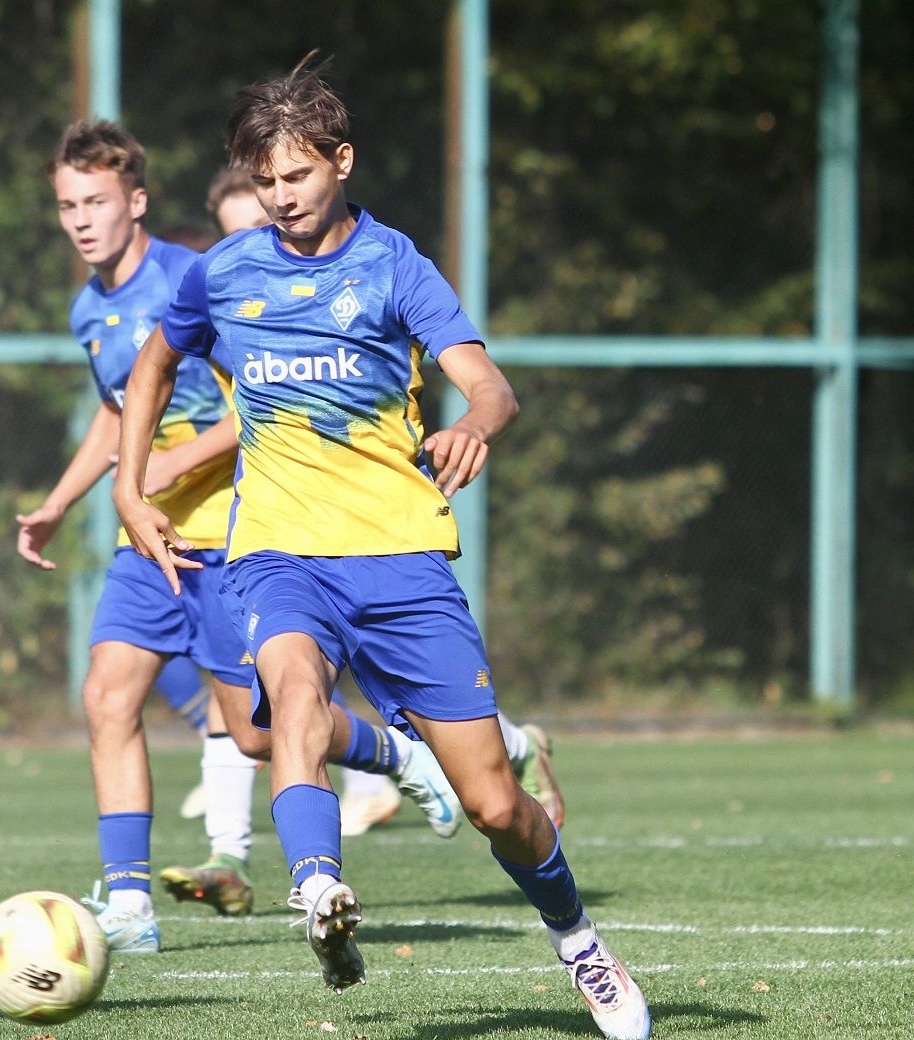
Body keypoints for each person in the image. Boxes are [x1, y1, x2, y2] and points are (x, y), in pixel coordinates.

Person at [111, 57, 649, 1040]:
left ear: (341, 162)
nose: (281, 198)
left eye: (297, 176)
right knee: (292, 700)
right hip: (277, 551)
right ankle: (320, 889)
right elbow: (153, 366)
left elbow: (491, 386)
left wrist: (474, 425)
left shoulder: (394, 263)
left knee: (493, 803)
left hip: (402, 560)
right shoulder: (224, 270)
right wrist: (127, 484)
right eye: (265, 181)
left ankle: (579, 940)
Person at [18, 120, 468, 951]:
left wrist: (175, 461)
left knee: (261, 732)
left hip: (234, 532)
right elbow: (120, 411)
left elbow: (261, 402)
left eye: (96, 202)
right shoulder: (91, 307)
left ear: (137, 201)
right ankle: (129, 904)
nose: (81, 220)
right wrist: (63, 498)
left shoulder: (200, 276)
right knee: (107, 695)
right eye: (65, 206)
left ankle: (401, 758)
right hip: (148, 537)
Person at [202, 167, 565, 837]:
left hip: (381, 536)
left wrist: (472, 423)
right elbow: (152, 385)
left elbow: (488, 387)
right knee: (269, 719)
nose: (272, 226)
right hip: (266, 536)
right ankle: (275, 866)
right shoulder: (223, 289)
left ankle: (502, 748)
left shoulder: (380, 268)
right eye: (247, 225)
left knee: (477, 786)